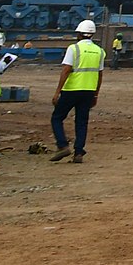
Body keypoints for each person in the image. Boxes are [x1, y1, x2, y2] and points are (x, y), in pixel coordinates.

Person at [50, 18, 106, 162]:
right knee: (81, 122)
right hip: (88, 91)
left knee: (57, 118)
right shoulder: (99, 51)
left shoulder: (73, 49)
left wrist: (57, 92)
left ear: (79, 34)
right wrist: (96, 95)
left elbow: (66, 70)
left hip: (72, 90)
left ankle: (62, 145)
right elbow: (100, 75)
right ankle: (79, 152)